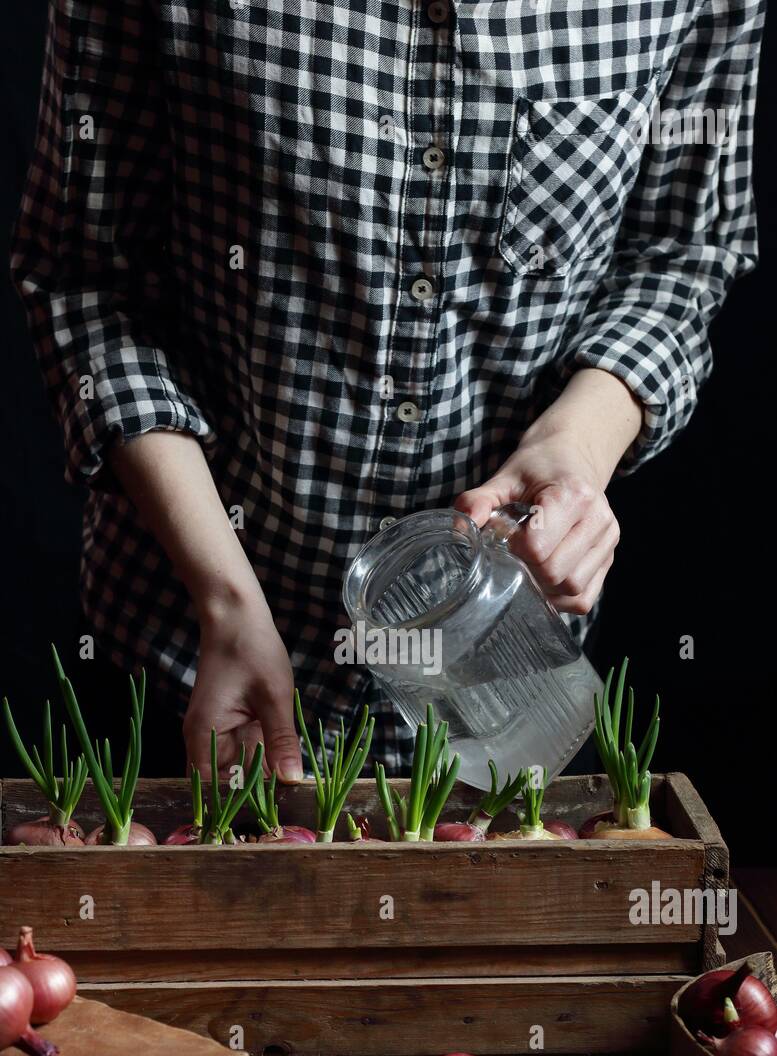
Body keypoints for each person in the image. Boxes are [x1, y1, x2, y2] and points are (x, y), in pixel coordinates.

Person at [11, 0, 762, 781]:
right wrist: (224, 598)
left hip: (502, 697)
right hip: (186, 664)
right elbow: (86, 275)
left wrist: (572, 445)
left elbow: (684, 249)